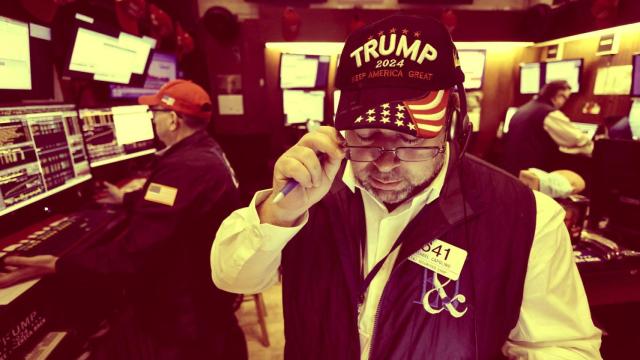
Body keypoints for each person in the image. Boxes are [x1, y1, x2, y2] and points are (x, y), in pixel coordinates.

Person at [211, 15, 601, 359]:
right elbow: (233, 279)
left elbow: (563, 346)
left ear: (452, 124)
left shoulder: (527, 217)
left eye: (411, 141)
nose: (385, 163)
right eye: (367, 135)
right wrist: (277, 214)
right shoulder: (314, 188)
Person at [0, 80, 247, 359]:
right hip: (209, 295)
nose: (153, 120)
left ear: (174, 120)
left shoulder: (184, 167)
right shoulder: (204, 152)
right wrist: (126, 199)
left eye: (155, 113)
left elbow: (135, 254)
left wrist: (56, 264)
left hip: (187, 316)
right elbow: (177, 205)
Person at [502, 80, 594, 176]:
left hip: (511, 168)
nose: (564, 102)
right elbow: (577, 139)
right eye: (565, 98)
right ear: (558, 95)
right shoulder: (549, 113)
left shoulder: (522, 109)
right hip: (531, 172)